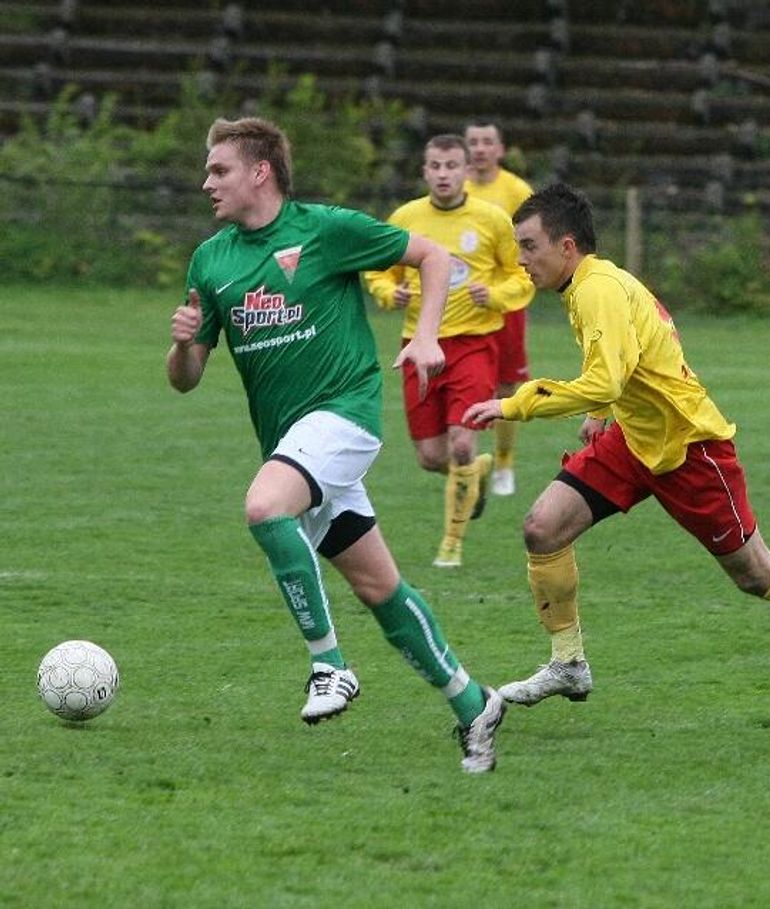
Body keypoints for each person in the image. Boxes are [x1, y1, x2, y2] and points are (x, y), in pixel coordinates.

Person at [463, 182, 770, 716]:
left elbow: (605, 379)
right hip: (634, 438)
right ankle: (568, 662)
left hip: (690, 447)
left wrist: (515, 404)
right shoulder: (593, 285)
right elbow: (632, 357)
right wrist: (600, 415)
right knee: (542, 527)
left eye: (529, 245)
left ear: (567, 246)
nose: (521, 258)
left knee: (754, 572)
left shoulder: (598, 289)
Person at [166, 116, 505, 772]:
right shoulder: (211, 260)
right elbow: (186, 379)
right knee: (380, 587)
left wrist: (428, 334)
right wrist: (182, 342)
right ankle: (474, 701)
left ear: (259, 171)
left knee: (266, 507)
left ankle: (329, 664)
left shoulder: (325, 228)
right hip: (296, 443)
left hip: (344, 417)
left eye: (219, 170)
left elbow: (432, 256)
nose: (206, 182)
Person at [363, 134, 533, 568]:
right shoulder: (406, 217)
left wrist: (493, 294)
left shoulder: (492, 219)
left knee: (461, 443)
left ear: (465, 171)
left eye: (451, 166)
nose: (443, 174)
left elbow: (523, 274)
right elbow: (379, 271)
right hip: (418, 345)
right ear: (424, 171)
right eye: (435, 166)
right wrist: (387, 293)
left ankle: (451, 545)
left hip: (474, 345)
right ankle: (471, 476)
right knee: (430, 457)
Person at [464, 120, 535, 498]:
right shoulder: (456, 187)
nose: (479, 148)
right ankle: (470, 461)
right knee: (468, 381)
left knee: (507, 384)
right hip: (464, 303)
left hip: (505, 301)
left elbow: (531, 240)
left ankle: (504, 460)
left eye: (487, 142)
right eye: (473, 142)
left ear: (500, 149)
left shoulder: (516, 190)